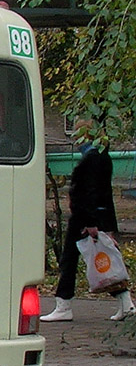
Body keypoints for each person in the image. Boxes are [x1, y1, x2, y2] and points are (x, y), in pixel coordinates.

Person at [42, 122, 135, 322]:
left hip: (84, 219)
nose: (75, 138)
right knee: (102, 259)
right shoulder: (102, 156)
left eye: (78, 133)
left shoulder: (91, 158)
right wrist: (108, 225)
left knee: (71, 260)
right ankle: (125, 302)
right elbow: (105, 194)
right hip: (93, 217)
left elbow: (89, 191)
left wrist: (91, 221)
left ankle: (63, 304)